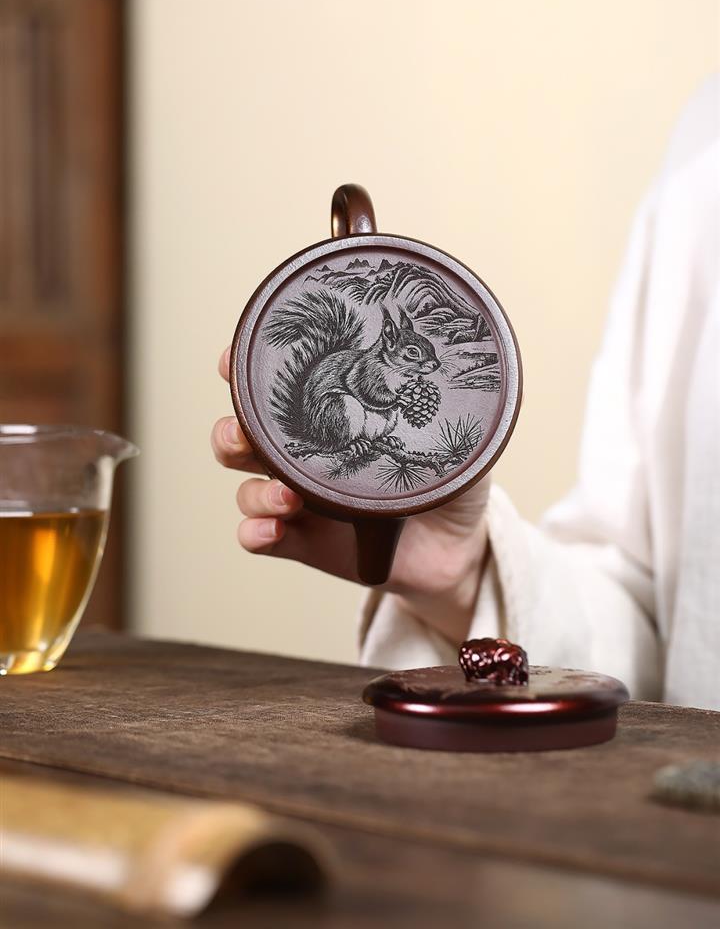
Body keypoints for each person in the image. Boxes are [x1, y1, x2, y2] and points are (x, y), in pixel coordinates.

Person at [211, 77, 719, 710]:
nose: (424, 367)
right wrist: (464, 576)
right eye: (413, 356)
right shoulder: (705, 145)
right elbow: (659, 620)